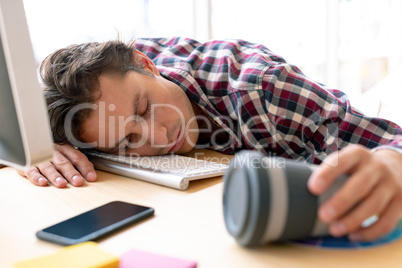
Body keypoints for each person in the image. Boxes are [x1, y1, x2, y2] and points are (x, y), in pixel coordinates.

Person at [18, 37, 402, 242]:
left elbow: (391, 143)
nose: (160, 135)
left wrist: (393, 162)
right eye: (126, 141)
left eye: (146, 108)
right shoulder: (101, 94)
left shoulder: (261, 89)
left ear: (146, 64)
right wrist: (33, 147)